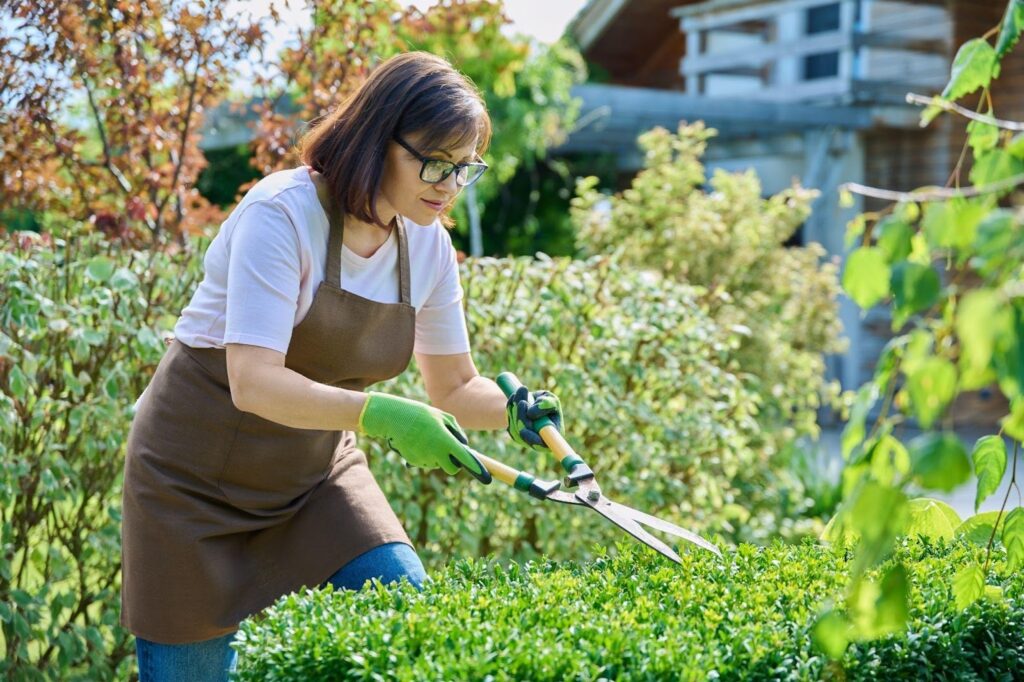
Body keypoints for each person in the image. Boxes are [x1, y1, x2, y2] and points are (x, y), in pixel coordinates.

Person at [120, 51, 564, 681]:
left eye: (465, 169)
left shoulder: (428, 245)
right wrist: (381, 413)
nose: (449, 185)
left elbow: (458, 386)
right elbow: (253, 382)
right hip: (193, 486)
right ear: (377, 139)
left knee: (410, 622)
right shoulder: (284, 213)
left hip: (314, 478)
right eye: (435, 163)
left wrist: (517, 413)